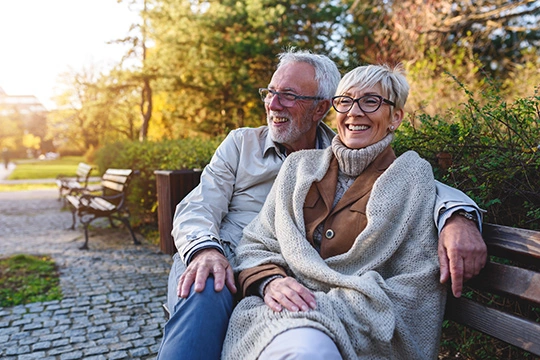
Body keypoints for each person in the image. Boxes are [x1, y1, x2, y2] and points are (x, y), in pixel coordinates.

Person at [157, 49, 486, 359]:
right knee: (205, 286)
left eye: (289, 95)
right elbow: (198, 207)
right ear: (337, 107)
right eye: (270, 92)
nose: (273, 104)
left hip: (290, 289)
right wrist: (206, 251)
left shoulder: (348, 151)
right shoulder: (246, 145)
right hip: (225, 260)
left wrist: (458, 216)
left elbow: (415, 182)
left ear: (320, 108)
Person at [222, 63, 446, 359]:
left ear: (395, 117)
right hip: (276, 314)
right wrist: (270, 281)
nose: (355, 112)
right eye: (345, 101)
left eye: (371, 101)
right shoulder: (297, 168)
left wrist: (322, 306)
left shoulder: (413, 177)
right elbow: (257, 243)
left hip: (358, 323)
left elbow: (417, 281)